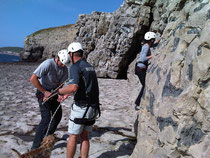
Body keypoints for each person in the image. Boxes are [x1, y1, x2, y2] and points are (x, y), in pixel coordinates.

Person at [58, 42, 100, 158]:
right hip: (93, 107)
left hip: (81, 108)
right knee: (85, 136)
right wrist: (68, 94)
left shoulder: (75, 66)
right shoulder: (89, 66)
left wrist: (59, 91)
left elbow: (73, 87)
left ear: (71, 54)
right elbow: (85, 86)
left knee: (73, 136)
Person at [30, 49, 69, 149]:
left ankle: (47, 138)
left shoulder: (65, 69)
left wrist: (62, 95)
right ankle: (35, 147)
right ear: (57, 59)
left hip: (54, 93)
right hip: (42, 91)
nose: (62, 66)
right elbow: (33, 79)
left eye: (64, 64)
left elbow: (61, 85)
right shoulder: (47, 64)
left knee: (57, 116)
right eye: (61, 63)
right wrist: (44, 92)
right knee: (46, 118)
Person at [134, 32, 161, 110]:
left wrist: (159, 40)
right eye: (153, 40)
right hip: (140, 68)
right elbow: (143, 59)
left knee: (144, 85)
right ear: (150, 40)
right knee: (144, 85)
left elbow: (154, 45)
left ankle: (137, 103)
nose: (153, 41)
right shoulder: (146, 47)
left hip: (140, 68)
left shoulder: (147, 45)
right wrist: (152, 56)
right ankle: (137, 103)